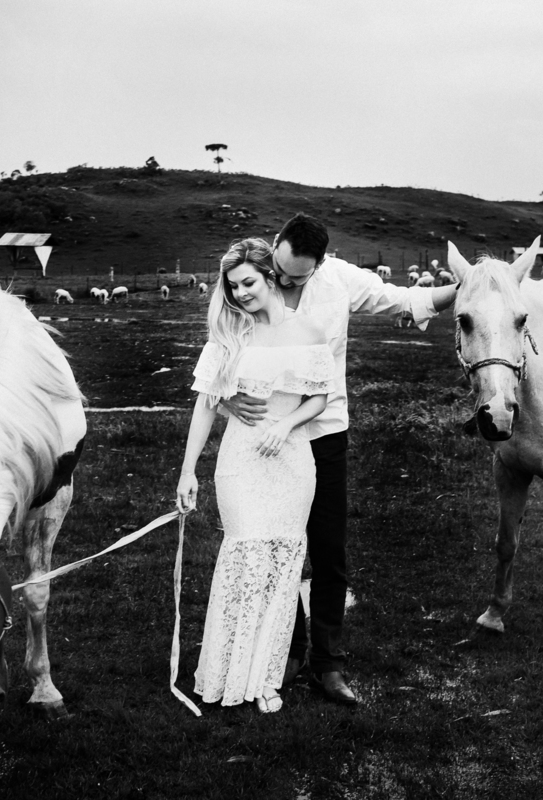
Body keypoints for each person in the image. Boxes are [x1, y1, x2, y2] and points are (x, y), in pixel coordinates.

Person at [222, 213, 459, 705]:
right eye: (280, 271)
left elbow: (406, 299)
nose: (283, 282)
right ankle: (285, 650)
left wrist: (468, 287)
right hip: (264, 441)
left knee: (328, 551)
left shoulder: (341, 281)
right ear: (273, 248)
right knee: (271, 546)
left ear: (321, 262)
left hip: (324, 435)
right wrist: (227, 401)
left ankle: (327, 665)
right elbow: (218, 360)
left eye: (296, 276)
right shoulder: (248, 282)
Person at [176, 237, 335, 714]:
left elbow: (320, 396)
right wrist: (188, 472)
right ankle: (225, 673)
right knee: (245, 559)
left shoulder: (308, 330)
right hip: (241, 462)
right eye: (232, 286)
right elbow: (206, 404)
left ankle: (266, 679)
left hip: (292, 462)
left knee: (282, 569)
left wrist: (287, 424)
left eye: (248, 282)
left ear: (270, 277)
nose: (241, 293)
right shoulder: (230, 335)